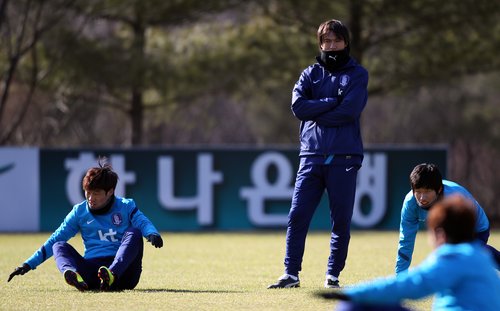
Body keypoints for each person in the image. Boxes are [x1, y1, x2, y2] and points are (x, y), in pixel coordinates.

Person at [268, 19, 368, 289]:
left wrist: (317, 111)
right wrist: (328, 102)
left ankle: (332, 276)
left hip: (344, 156)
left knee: (341, 220)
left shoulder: (358, 74)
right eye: (327, 41)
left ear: (346, 42)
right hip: (310, 155)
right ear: (320, 43)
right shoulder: (309, 74)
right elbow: (299, 107)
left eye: (337, 41)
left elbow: (349, 111)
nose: (331, 46)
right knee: (297, 216)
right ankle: (291, 274)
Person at [316, 194, 500, 311]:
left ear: (440, 234)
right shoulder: (481, 256)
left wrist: (353, 293)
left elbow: (412, 285)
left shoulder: (454, 258)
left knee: (352, 306)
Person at [7, 158, 164, 291]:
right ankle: (72, 274)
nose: (90, 198)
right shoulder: (79, 212)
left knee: (135, 232)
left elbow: (142, 221)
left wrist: (152, 233)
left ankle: (111, 274)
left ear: (110, 192)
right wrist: (28, 264)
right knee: (58, 245)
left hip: (125, 275)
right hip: (93, 274)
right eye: (88, 192)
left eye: (96, 193)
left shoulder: (126, 205)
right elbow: (56, 237)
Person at [396, 163, 500, 274]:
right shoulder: (410, 203)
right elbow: (405, 241)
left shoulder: (454, 200)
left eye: (427, 191)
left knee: (467, 256)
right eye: (418, 191)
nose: (422, 198)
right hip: (448, 230)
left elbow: (457, 244)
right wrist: (400, 278)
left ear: (439, 189)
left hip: (476, 227)